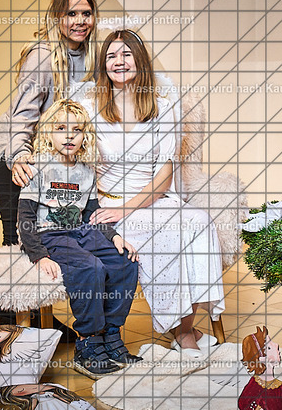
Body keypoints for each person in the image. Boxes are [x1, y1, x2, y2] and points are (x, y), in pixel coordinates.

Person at [74, 29, 225, 359]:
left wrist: (128, 208)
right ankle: (183, 333)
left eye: (126, 54)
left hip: (151, 199)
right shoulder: (87, 108)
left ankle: (186, 328)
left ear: (140, 61)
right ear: (103, 65)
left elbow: (164, 176)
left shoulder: (162, 107)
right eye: (111, 56)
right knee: (165, 235)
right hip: (108, 204)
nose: (119, 61)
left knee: (199, 222)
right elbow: (74, 161)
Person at [0, 0, 97, 334]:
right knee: (20, 241)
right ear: (57, 17)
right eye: (71, 13)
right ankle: (11, 326)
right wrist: (19, 157)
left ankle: (40, 321)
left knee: (44, 235)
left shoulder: (89, 56)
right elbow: (23, 113)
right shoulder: (43, 55)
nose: (80, 21)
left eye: (86, 13)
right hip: (12, 154)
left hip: (43, 156)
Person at [17, 100, 141, 378]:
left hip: (81, 230)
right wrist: (39, 255)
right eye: (61, 128)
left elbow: (92, 212)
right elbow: (25, 217)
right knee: (90, 267)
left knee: (125, 262)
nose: (69, 135)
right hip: (49, 234)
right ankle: (88, 341)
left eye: (77, 129)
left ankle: (110, 333)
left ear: (85, 135)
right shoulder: (37, 167)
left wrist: (114, 236)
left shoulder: (86, 170)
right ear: (48, 133)